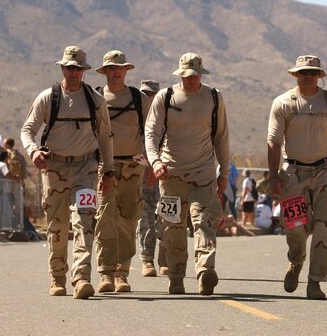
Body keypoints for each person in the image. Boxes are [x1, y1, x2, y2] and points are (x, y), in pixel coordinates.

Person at [21, 45, 114, 299]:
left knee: (84, 221)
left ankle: (82, 278)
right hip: (54, 169)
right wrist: (33, 151)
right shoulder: (48, 98)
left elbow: (105, 138)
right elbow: (27, 130)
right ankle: (57, 277)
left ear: (84, 71)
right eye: (69, 68)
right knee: (57, 225)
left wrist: (108, 172)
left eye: (78, 69)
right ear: (62, 68)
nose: (73, 73)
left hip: (86, 168)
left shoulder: (95, 101)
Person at [268, 54, 327, 300]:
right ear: (295, 74)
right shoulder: (283, 103)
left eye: (312, 72)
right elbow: (273, 142)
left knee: (323, 225)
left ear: (320, 76)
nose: (308, 76)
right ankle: (296, 261)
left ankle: (315, 281)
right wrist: (274, 175)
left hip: (324, 171)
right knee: (295, 226)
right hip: (293, 173)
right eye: (303, 72)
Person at [145, 52, 230, 296]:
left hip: (203, 173)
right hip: (171, 176)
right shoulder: (167, 97)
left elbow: (221, 137)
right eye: (187, 75)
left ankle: (205, 272)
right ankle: (176, 277)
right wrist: (155, 161)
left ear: (201, 74)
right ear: (180, 74)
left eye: (196, 75)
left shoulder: (214, 97)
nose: (192, 80)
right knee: (173, 227)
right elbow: (150, 133)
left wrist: (223, 171)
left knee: (203, 222)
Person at [93, 50, 152, 293]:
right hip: (103, 167)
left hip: (133, 166)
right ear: (105, 71)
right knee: (105, 217)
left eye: (120, 68)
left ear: (126, 71)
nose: (116, 72)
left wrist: (151, 164)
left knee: (128, 219)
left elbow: (152, 133)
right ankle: (105, 273)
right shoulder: (95, 98)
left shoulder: (140, 99)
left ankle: (122, 273)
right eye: (112, 68)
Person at [136, 79, 168, 277]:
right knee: (145, 218)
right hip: (142, 176)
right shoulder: (134, 120)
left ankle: (165, 258)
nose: (148, 99)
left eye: (152, 95)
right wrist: (146, 167)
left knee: (166, 216)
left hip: (164, 176)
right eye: (145, 95)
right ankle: (147, 260)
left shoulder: (167, 120)